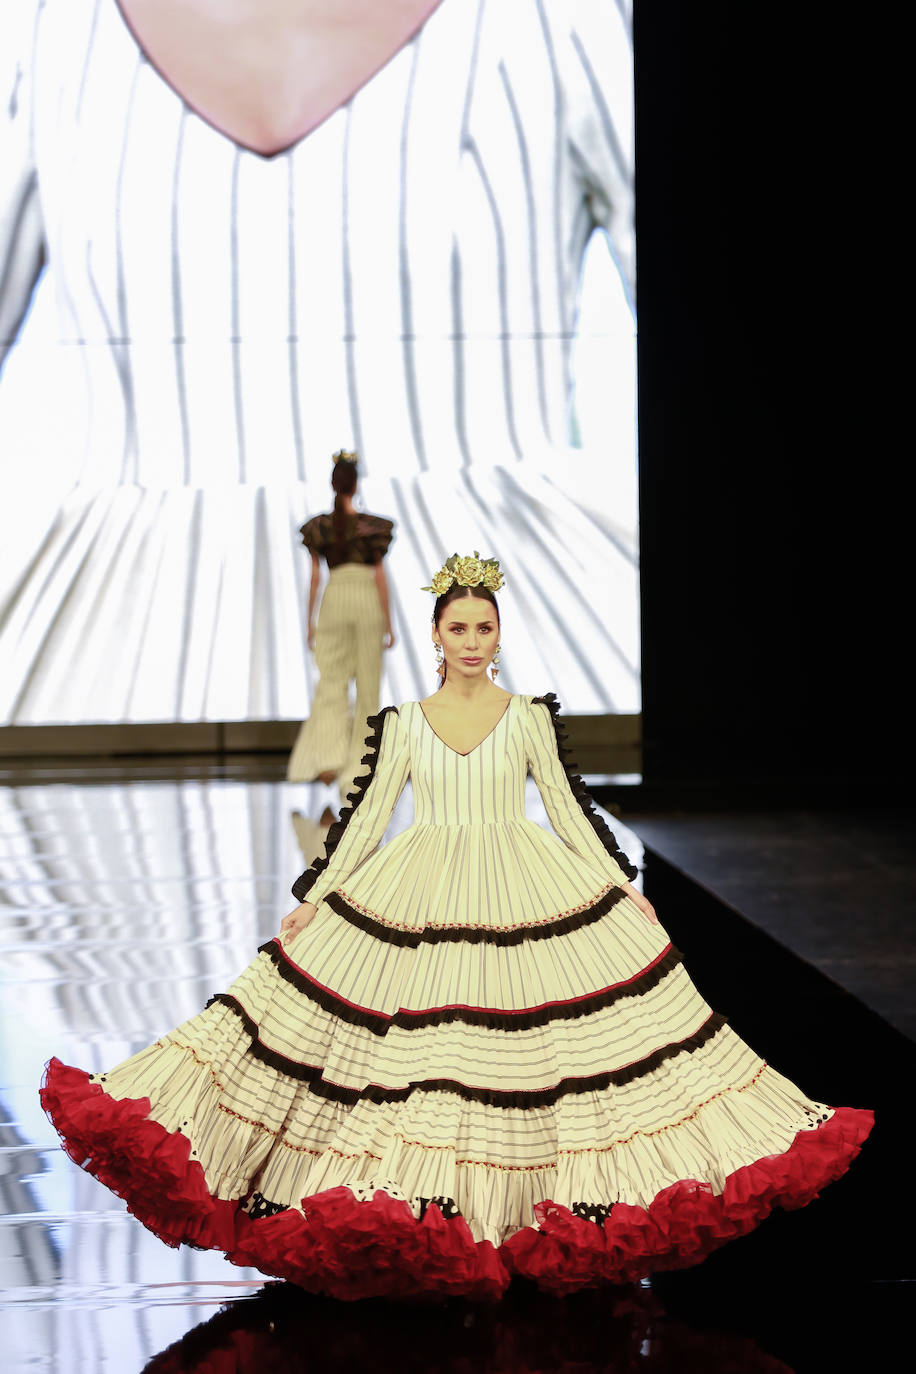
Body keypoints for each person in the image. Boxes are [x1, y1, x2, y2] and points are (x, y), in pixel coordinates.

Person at [40, 551, 873, 1300]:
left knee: (543, 1054)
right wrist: (318, 895)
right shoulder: (403, 723)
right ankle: (442, 1211)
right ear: (435, 636)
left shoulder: (531, 717)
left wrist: (623, 887)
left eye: (484, 627)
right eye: (458, 628)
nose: (472, 641)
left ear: (498, 635)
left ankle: (519, 1214)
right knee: (422, 1051)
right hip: (423, 882)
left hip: (525, 878)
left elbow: (568, 812)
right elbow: (366, 823)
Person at [286, 450, 395, 798]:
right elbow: (379, 576)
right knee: (368, 684)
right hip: (365, 600)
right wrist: (389, 622)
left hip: (333, 600)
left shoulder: (320, 527)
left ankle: (327, 758)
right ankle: (361, 768)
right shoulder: (373, 528)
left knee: (331, 681)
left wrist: (310, 622)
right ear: (356, 484)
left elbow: (315, 578)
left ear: (333, 484)